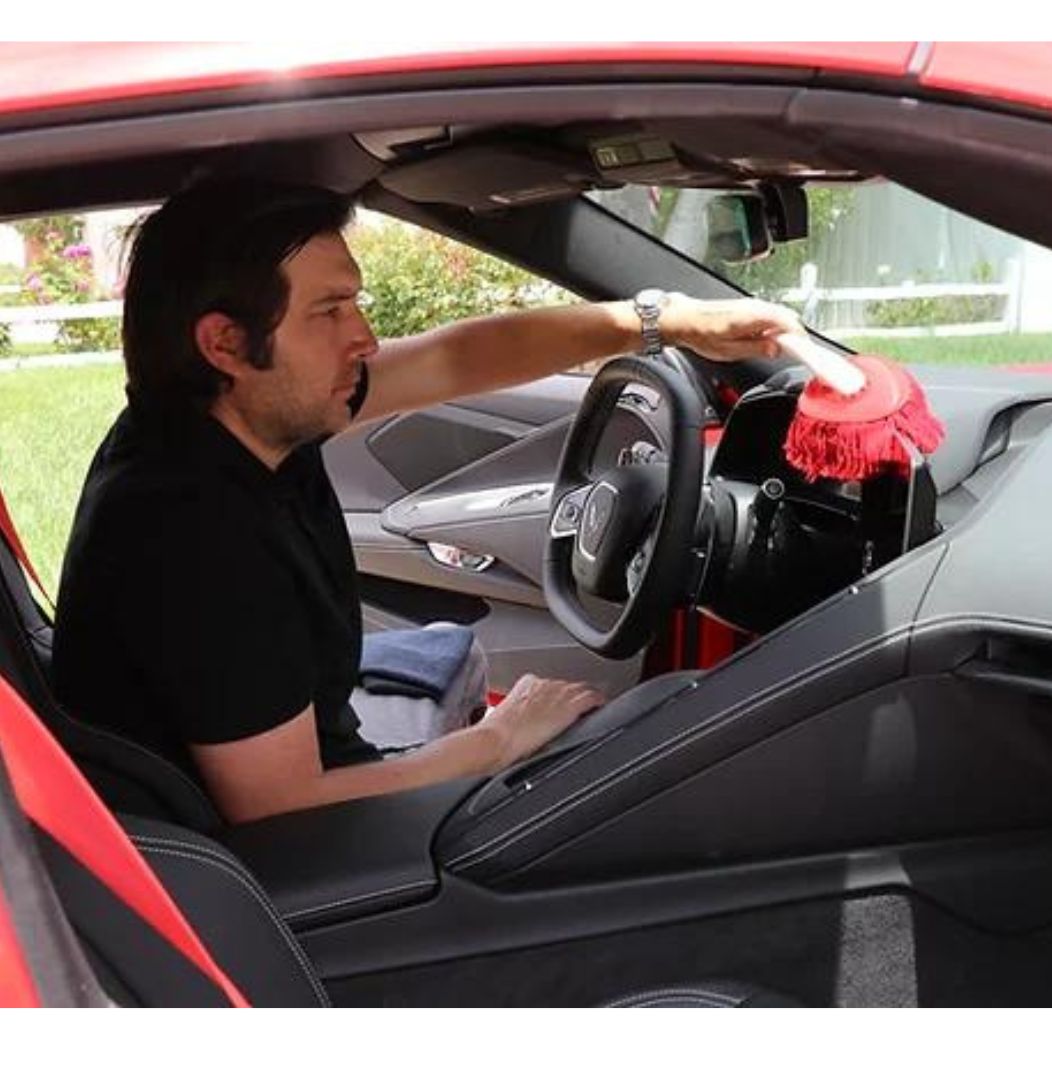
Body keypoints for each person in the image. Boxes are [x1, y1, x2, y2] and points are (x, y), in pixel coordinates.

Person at [53, 178, 801, 825]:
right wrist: (492, 745)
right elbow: (275, 807)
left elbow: (456, 356)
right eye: (329, 311)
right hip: (286, 870)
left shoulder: (238, 414)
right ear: (224, 343)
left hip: (309, 770)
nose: (367, 339)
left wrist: (660, 319)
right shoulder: (191, 538)